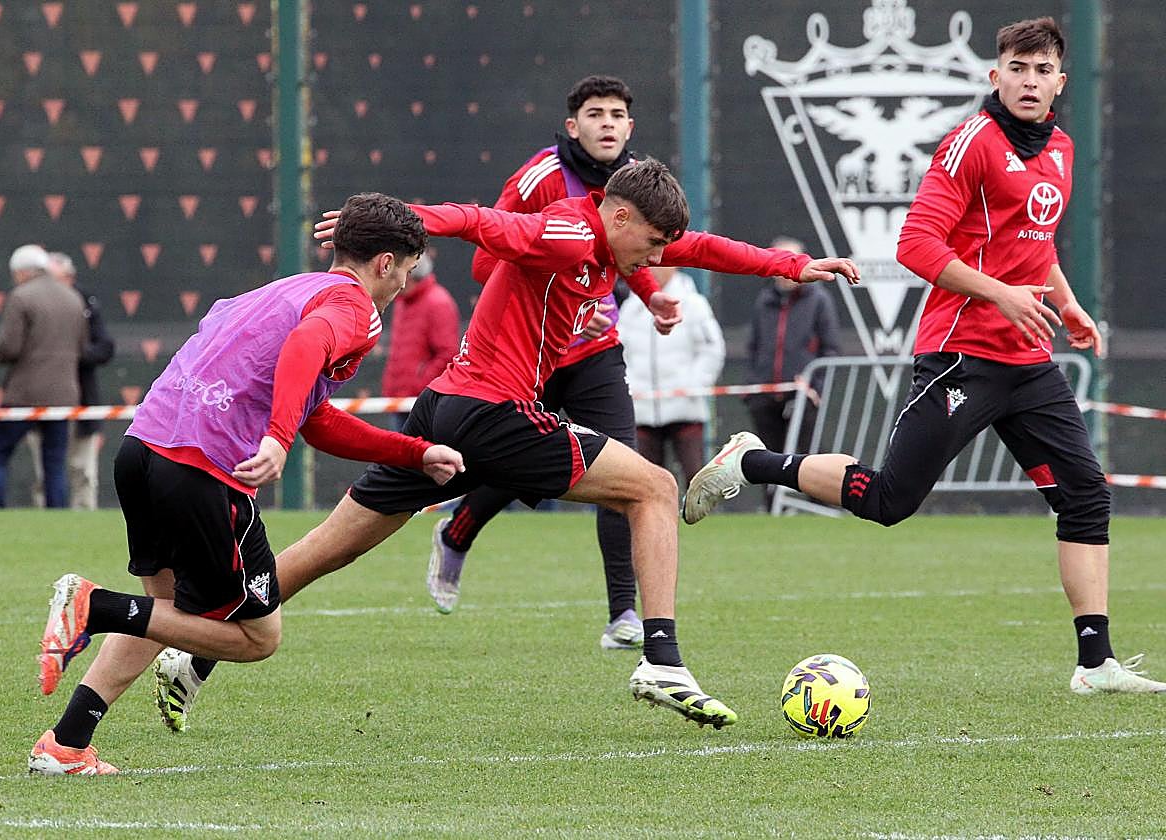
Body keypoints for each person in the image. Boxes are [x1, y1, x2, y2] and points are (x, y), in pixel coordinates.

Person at [150, 158, 861, 735]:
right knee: (654, 488)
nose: (656, 258)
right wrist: (396, 226)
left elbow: (702, 248)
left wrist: (791, 266)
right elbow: (479, 221)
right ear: (617, 217)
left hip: (450, 408)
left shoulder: (614, 246)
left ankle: (196, 654)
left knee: (336, 543)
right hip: (495, 413)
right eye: (648, 241)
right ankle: (661, 658)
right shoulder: (566, 234)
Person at [683, 17, 1166, 695]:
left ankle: (1095, 665)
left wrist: (1067, 300)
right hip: (961, 352)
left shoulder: (1059, 146)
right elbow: (915, 246)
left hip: (1027, 358)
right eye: (1017, 68)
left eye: (1042, 69)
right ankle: (752, 461)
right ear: (994, 76)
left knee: (1085, 495)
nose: (1029, 81)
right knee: (889, 500)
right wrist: (999, 294)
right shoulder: (970, 143)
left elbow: (1036, 239)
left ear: (1060, 81)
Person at [27, 193, 466, 775]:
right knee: (256, 638)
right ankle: (95, 605)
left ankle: (65, 745)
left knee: (163, 610)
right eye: (407, 272)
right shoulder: (351, 306)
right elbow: (308, 352)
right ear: (385, 263)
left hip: (141, 450)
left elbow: (319, 418)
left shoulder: (277, 291)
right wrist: (276, 438)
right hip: (204, 470)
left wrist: (413, 452)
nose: (402, 287)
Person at [426, 75, 677, 652]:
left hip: (594, 354)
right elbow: (488, 261)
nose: (608, 123)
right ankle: (457, 533)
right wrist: (559, 302)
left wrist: (648, 293)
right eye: (595, 113)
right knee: (507, 467)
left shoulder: (636, 183)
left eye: (618, 114)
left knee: (627, 471)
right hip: (530, 354)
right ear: (573, 126)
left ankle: (623, 614)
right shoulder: (539, 177)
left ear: (630, 127)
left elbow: (628, 249)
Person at [0, 245, 87, 508]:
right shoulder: (72, 297)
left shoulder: (21, 297)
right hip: (64, 393)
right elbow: (82, 345)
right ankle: (57, 516)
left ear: (23, 272)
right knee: (54, 461)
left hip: (24, 393)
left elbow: (10, 347)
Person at [744, 236, 840, 508]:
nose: (786, 270)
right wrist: (753, 386)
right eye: (780, 261)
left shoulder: (819, 300)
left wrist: (815, 388)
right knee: (766, 457)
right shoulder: (764, 301)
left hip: (803, 396)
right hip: (764, 395)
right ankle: (774, 510)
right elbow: (754, 346)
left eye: (792, 261)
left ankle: (824, 507)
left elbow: (830, 350)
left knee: (808, 456)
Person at [619, 265, 725, 485]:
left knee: (697, 479)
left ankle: (700, 520)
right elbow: (620, 351)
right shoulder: (631, 306)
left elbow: (712, 349)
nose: (654, 269)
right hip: (642, 409)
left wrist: (693, 386)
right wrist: (630, 389)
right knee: (646, 482)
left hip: (686, 407)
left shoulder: (694, 303)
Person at [28, 251, 116, 510]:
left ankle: (83, 523)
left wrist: (70, 355)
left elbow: (105, 348)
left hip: (82, 401)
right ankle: (42, 525)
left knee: (83, 472)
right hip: (42, 401)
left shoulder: (86, 303)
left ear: (70, 278)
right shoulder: (31, 302)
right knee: (43, 473)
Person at [380, 252, 461, 431]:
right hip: (399, 400)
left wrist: (420, 385)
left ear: (411, 275)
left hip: (421, 403)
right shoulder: (402, 301)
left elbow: (448, 353)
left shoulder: (438, 303)